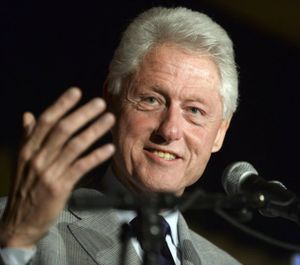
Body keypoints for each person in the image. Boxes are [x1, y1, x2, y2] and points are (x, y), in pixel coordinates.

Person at [0, 6, 241, 265]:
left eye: (194, 110)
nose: (170, 130)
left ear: (220, 133)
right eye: (151, 100)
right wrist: (15, 246)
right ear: (111, 100)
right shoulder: (15, 228)